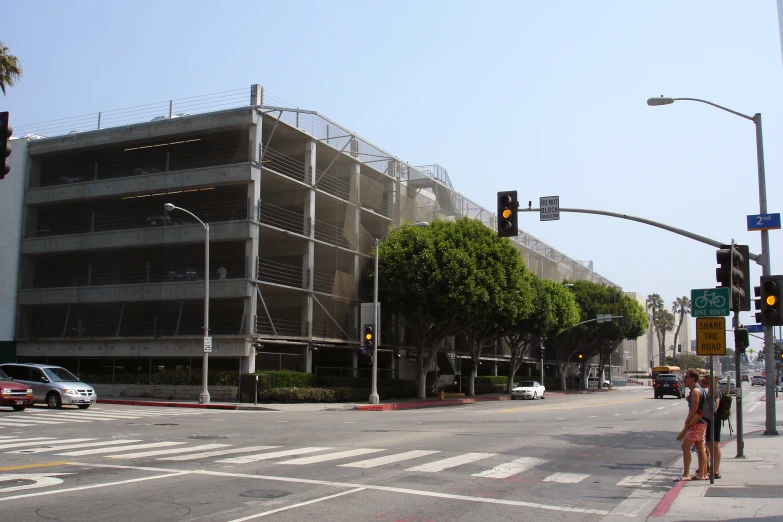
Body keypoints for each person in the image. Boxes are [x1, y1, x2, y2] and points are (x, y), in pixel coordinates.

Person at [675, 368, 709, 482]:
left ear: (693, 379)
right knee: (700, 447)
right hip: (702, 422)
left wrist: (687, 422)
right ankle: (702, 474)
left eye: (687, 377)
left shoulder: (695, 391)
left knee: (685, 446)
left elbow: (694, 408)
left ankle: (686, 474)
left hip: (696, 422)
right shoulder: (700, 390)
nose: (684, 379)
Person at [700, 375, 722, 479]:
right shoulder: (706, 391)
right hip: (707, 419)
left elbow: (717, 403)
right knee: (708, 444)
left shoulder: (715, 391)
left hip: (714, 420)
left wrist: (712, 412)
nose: (702, 383)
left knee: (715, 444)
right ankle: (707, 467)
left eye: (704, 381)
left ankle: (716, 470)